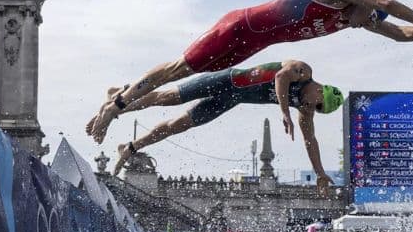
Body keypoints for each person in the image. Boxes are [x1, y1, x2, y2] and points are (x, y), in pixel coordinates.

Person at [86, 0, 413, 143]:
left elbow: (397, 33)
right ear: (361, 2)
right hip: (238, 27)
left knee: (191, 74)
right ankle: (114, 106)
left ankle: (120, 93)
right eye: (362, 18)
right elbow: (387, 7)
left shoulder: (356, 17)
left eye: (364, 25)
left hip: (250, 47)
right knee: (179, 70)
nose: (357, 26)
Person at [111, 60, 342, 196]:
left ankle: (130, 147)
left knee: (176, 126)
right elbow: (280, 76)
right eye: (316, 103)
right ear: (321, 90)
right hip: (226, 80)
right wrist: (284, 111)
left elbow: (310, 141)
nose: (311, 107)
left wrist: (320, 173)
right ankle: (121, 100)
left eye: (317, 109)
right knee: (169, 98)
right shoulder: (303, 71)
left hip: (229, 100)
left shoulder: (305, 109)